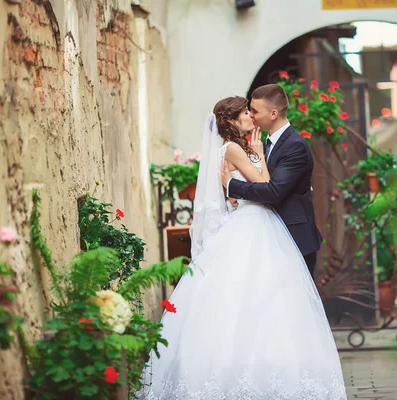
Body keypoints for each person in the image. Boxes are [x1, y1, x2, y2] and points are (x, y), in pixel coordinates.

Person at [139, 96, 346, 400]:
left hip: (258, 221)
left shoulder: (245, 147)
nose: (250, 115)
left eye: (253, 110)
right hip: (253, 223)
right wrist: (257, 159)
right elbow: (265, 183)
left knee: (266, 302)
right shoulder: (235, 148)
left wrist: (241, 176)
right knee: (250, 299)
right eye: (245, 112)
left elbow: (260, 186)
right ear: (234, 121)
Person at [222, 84, 322, 276]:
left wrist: (232, 185)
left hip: (294, 239)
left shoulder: (295, 146)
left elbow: (274, 192)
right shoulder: (265, 144)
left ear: (274, 113)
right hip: (270, 237)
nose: (250, 115)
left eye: (254, 111)